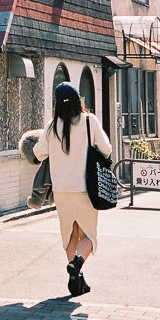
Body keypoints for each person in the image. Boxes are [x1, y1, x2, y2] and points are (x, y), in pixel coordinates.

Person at [33, 81, 112, 296]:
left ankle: (77, 281)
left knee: (70, 235)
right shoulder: (89, 121)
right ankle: (77, 264)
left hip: (61, 191)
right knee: (88, 235)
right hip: (85, 189)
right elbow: (106, 148)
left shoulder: (52, 126)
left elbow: (38, 153)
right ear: (79, 101)